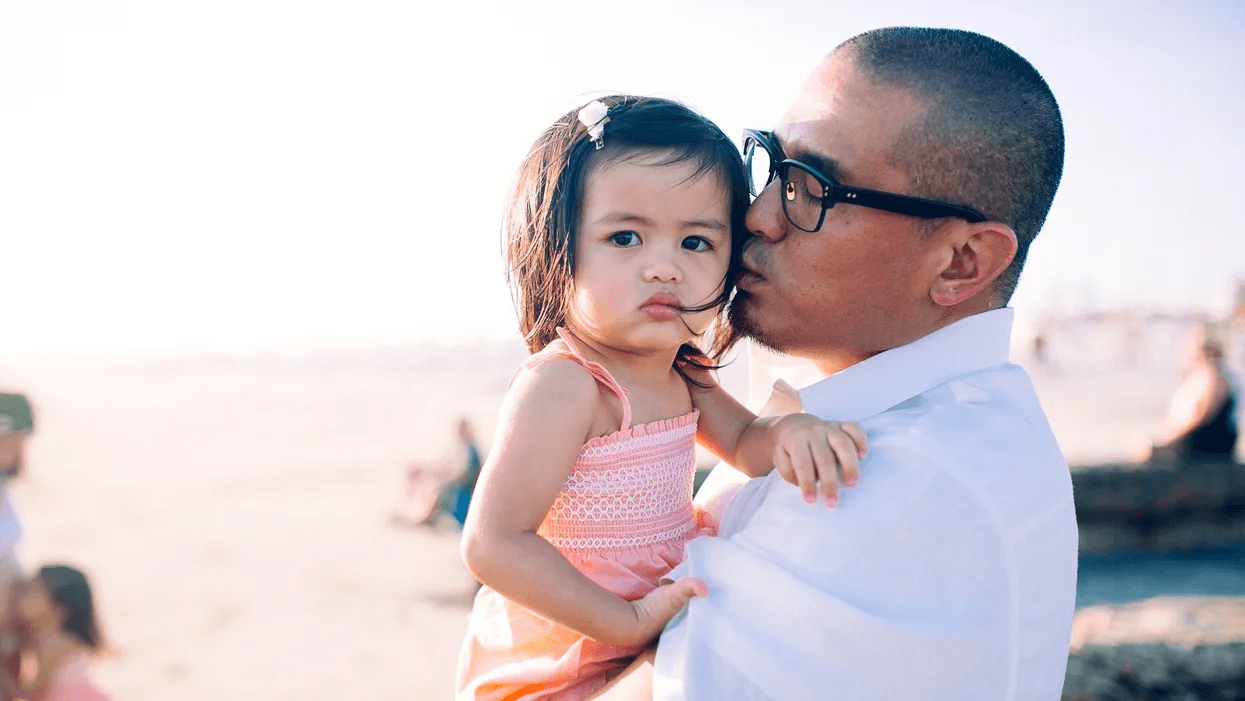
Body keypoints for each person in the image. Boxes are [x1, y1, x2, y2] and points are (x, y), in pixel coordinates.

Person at [591, 27, 1078, 700]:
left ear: (961, 262)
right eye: (771, 166)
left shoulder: (895, 475)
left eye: (812, 187)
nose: (757, 216)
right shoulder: (862, 421)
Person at [456, 95, 868, 700]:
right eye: (625, 237)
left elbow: (748, 446)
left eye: (696, 243)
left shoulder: (685, 371)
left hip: (648, 632)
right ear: (554, 250)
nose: (664, 268)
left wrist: (793, 433)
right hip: (559, 655)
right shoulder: (569, 384)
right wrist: (623, 622)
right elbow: (492, 543)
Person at [1, 565, 109, 701]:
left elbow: (37, 696)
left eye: (31, 593)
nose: (20, 599)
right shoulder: (50, 640)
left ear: (60, 609)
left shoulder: (56, 645)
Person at [1149, 329, 1240, 461]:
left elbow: (1201, 418)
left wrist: (1171, 440)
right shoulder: (1204, 379)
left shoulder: (1215, 380)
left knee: (1150, 454)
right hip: (1196, 442)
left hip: (1205, 446)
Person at [393, 417, 486, 528]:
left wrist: (443, 477)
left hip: (465, 491)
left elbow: (466, 474)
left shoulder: (471, 449)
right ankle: (417, 514)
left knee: (438, 490)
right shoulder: (461, 448)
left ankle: (425, 519)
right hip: (463, 487)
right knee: (432, 486)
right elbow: (447, 466)